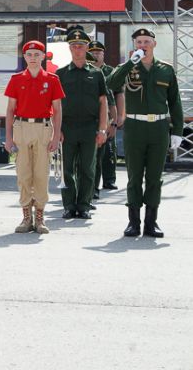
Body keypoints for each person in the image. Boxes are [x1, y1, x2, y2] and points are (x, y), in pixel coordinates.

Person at [107, 28, 183, 238]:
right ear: (135, 45)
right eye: (139, 42)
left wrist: (177, 130)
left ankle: (151, 222)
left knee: (154, 177)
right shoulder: (127, 68)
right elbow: (111, 84)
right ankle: (133, 222)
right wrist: (129, 63)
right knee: (134, 176)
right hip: (135, 127)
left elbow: (174, 101)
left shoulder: (165, 70)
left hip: (158, 128)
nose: (143, 45)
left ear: (154, 44)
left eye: (146, 42)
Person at [3, 40, 64, 234]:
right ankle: (26, 217)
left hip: (43, 127)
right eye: (29, 55)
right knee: (23, 174)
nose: (33, 58)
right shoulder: (17, 79)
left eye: (37, 54)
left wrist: (56, 136)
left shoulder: (52, 79)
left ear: (43, 56)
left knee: (41, 174)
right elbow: (10, 110)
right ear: (24, 57)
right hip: (21, 127)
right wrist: (9, 137)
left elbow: (57, 110)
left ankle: (39, 216)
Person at [55, 28, 108, 220]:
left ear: (87, 48)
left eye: (81, 46)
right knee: (67, 169)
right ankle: (69, 206)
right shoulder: (61, 74)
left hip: (89, 127)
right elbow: (54, 104)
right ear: (69, 48)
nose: (77, 49)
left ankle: (84, 205)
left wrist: (102, 129)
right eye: (74, 46)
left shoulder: (97, 74)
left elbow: (103, 102)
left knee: (88, 168)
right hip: (67, 127)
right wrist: (57, 130)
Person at [89, 40, 121, 193]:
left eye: (98, 52)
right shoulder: (85, 70)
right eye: (92, 53)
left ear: (103, 54)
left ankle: (109, 180)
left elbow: (118, 94)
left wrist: (118, 118)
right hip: (90, 117)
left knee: (109, 151)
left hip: (108, 115)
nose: (95, 55)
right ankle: (92, 186)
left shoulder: (110, 71)